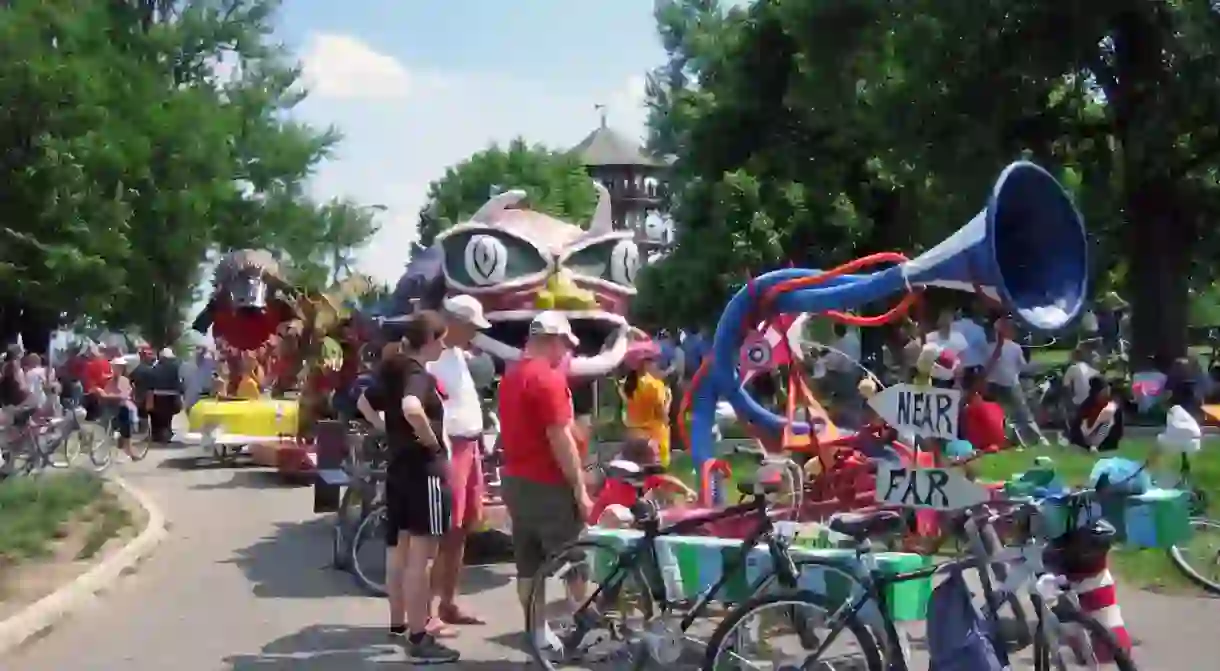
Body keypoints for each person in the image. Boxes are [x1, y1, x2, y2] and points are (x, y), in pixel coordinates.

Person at [362, 311, 459, 663]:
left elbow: (363, 402)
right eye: (442, 339)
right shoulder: (417, 374)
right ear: (429, 339)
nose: (445, 345)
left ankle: (399, 624)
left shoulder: (393, 367)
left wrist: (385, 431)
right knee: (422, 557)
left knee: (398, 552)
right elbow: (412, 407)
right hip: (424, 471)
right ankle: (419, 637)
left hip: (400, 469)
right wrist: (432, 443)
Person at [497, 311, 590, 633]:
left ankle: (537, 635)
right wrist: (580, 489)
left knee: (528, 566)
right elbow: (559, 437)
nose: (567, 353)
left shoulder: (511, 378)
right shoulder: (547, 379)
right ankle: (583, 630)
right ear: (553, 341)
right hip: (547, 485)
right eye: (565, 345)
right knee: (573, 561)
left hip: (516, 481)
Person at [426, 294, 492, 631]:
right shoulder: (433, 357)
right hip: (449, 450)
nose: (474, 334)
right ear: (453, 322)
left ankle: (448, 603)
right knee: (440, 532)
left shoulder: (457, 354)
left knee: (460, 530)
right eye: (471, 327)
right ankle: (426, 614)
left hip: (469, 448)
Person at [986, 317, 1049, 446]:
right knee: (1023, 413)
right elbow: (1022, 367)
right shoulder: (1015, 347)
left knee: (996, 413)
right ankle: (1038, 438)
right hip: (1010, 383)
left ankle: (999, 436)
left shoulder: (989, 347)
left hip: (992, 384)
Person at [621, 342, 674, 468]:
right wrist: (669, 400)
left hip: (634, 436)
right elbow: (663, 415)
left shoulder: (625, 385)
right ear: (644, 363)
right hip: (655, 437)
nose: (655, 364)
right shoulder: (654, 386)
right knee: (656, 478)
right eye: (652, 360)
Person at [1070, 377, 1124, 452]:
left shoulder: (1112, 407)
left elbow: (1118, 431)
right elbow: (1077, 430)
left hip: (1107, 445)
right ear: (1097, 392)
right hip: (1086, 444)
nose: (1107, 392)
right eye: (1105, 390)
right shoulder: (1087, 406)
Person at [103, 358, 141, 460]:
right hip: (110, 405)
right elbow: (106, 391)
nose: (118, 369)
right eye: (116, 367)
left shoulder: (124, 380)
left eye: (120, 367)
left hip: (121, 405)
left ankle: (128, 448)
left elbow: (127, 393)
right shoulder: (108, 379)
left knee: (126, 420)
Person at [1062, 342, 1099, 415]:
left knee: (1063, 391)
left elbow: (1066, 386)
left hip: (1080, 400)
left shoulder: (1072, 368)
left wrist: (1070, 398)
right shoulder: (1088, 367)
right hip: (1093, 399)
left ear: (1073, 357)